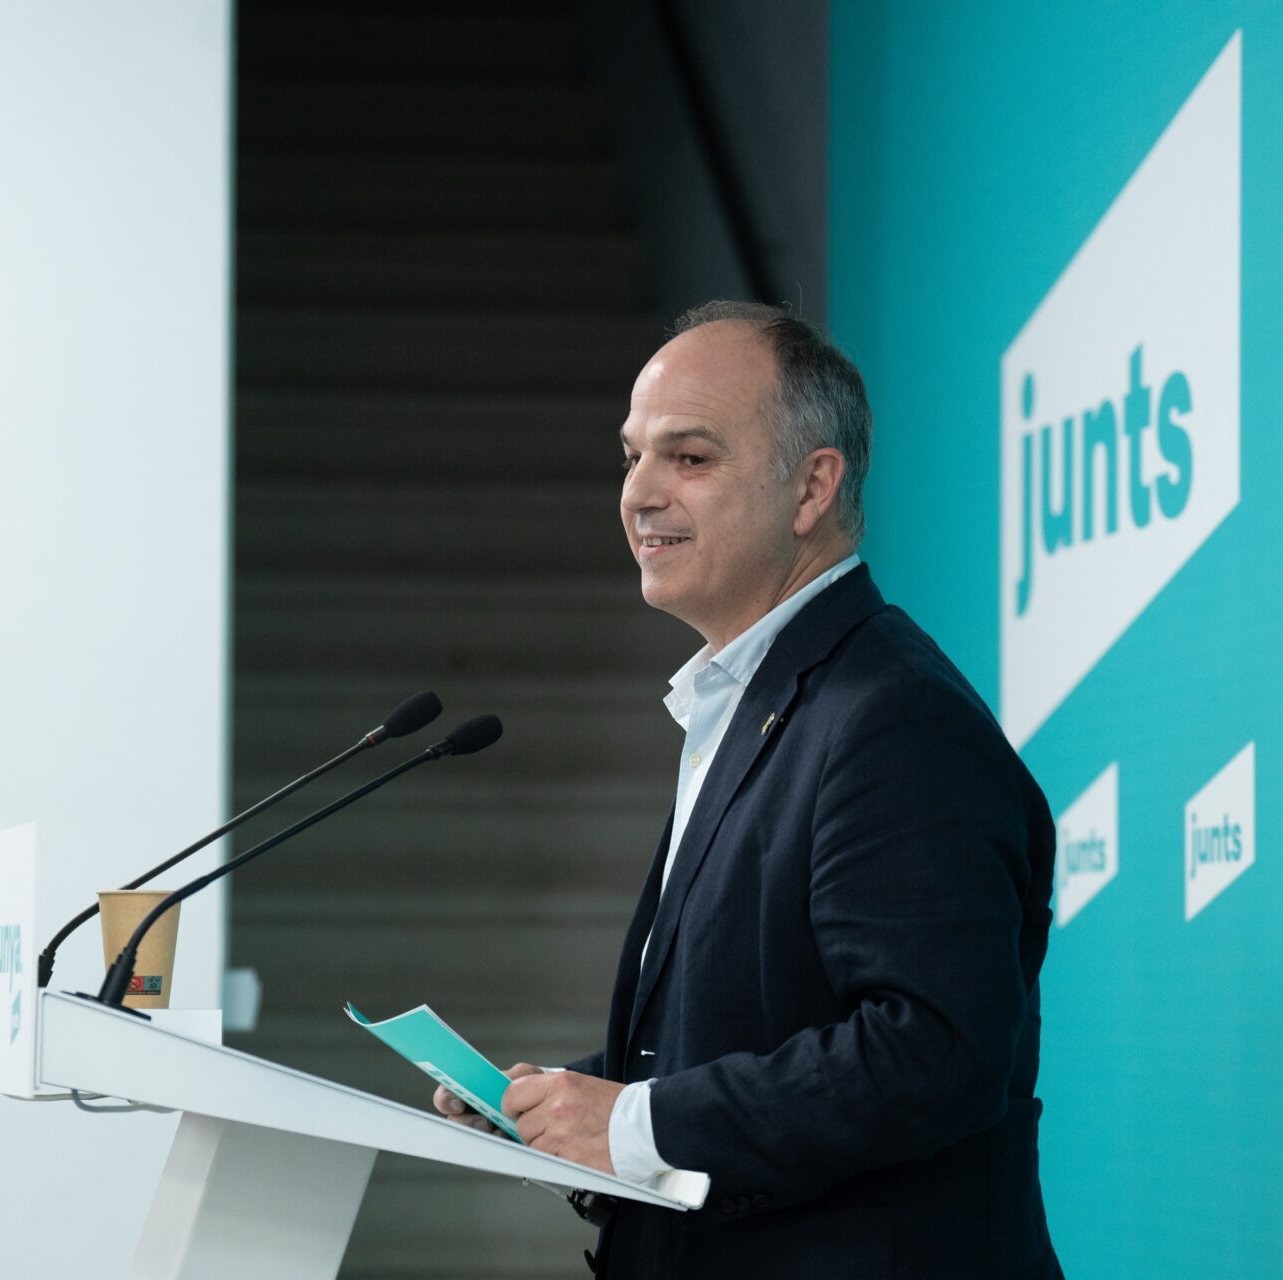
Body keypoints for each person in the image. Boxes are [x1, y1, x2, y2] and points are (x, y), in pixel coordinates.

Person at [433, 302, 1063, 1278]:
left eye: (688, 457)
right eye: (632, 456)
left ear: (812, 486)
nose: (639, 494)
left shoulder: (893, 716)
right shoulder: (756, 700)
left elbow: (933, 1054)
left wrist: (633, 1124)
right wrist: (568, 1106)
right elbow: (755, 1027)